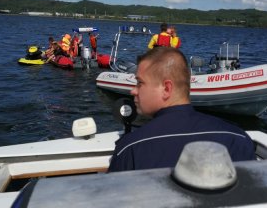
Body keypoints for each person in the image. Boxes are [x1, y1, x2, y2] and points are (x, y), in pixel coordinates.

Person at [108, 47, 256, 172]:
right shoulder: (239, 139)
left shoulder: (130, 149)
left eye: (140, 83)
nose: (133, 91)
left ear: (166, 89)